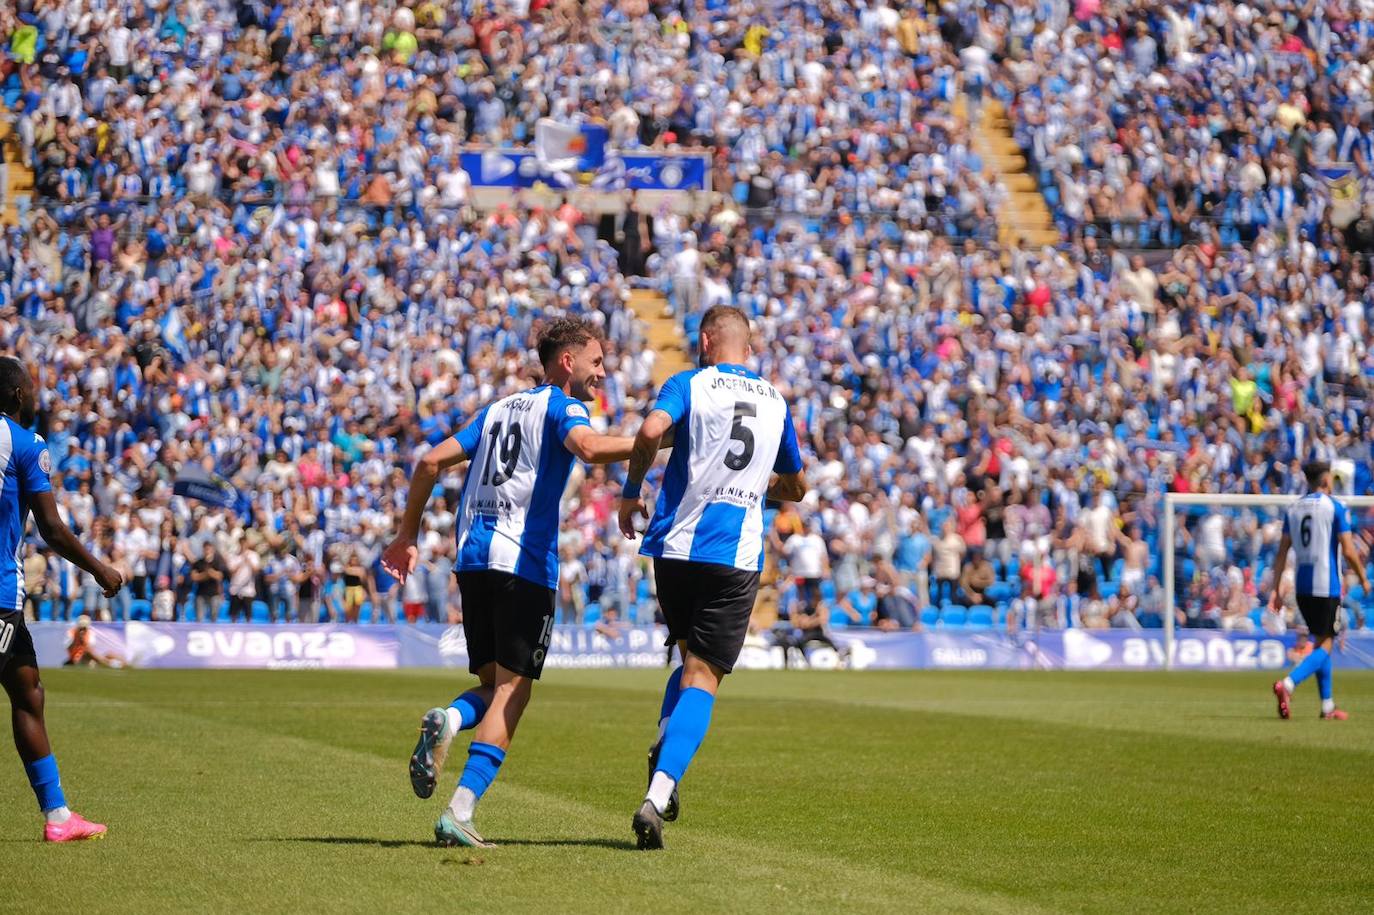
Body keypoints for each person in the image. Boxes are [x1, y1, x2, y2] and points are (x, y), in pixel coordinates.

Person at [381, 318, 645, 848]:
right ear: (567, 362)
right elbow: (589, 449)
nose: (602, 374)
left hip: (473, 560)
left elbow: (429, 461)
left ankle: (451, 718)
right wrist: (654, 442)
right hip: (523, 563)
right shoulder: (562, 406)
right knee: (513, 692)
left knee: (491, 684)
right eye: (595, 362)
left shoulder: (496, 410)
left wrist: (407, 534)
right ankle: (460, 810)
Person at [618, 305, 807, 850]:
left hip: (675, 547)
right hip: (733, 555)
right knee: (703, 679)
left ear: (704, 341)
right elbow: (797, 486)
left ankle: (665, 738)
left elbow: (650, 430)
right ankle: (658, 794)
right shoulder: (775, 401)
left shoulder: (689, 383)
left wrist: (632, 491)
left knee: (686, 661)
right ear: (748, 348)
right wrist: (757, 485)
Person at [0, 356, 123, 842]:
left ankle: (57, 816)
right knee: (26, 691)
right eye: (30, 388)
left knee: (28, 689)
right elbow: (51, 527)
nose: (35, 396)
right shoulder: (26, 444)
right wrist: (100, 569)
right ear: (16, 395)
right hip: (0, 595)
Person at [1268, 462, 1371, 721]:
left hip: (1302, 587)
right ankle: (1288, 684)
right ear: (1326, 480)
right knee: (1326, 644)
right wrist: (1363, 579)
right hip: (1327, 586)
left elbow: (1281, 554)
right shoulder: (1335, 507)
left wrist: (1276, 590)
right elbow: (1349, 551)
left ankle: (1327, 706)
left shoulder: (1293, 509)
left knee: (1321, 641)